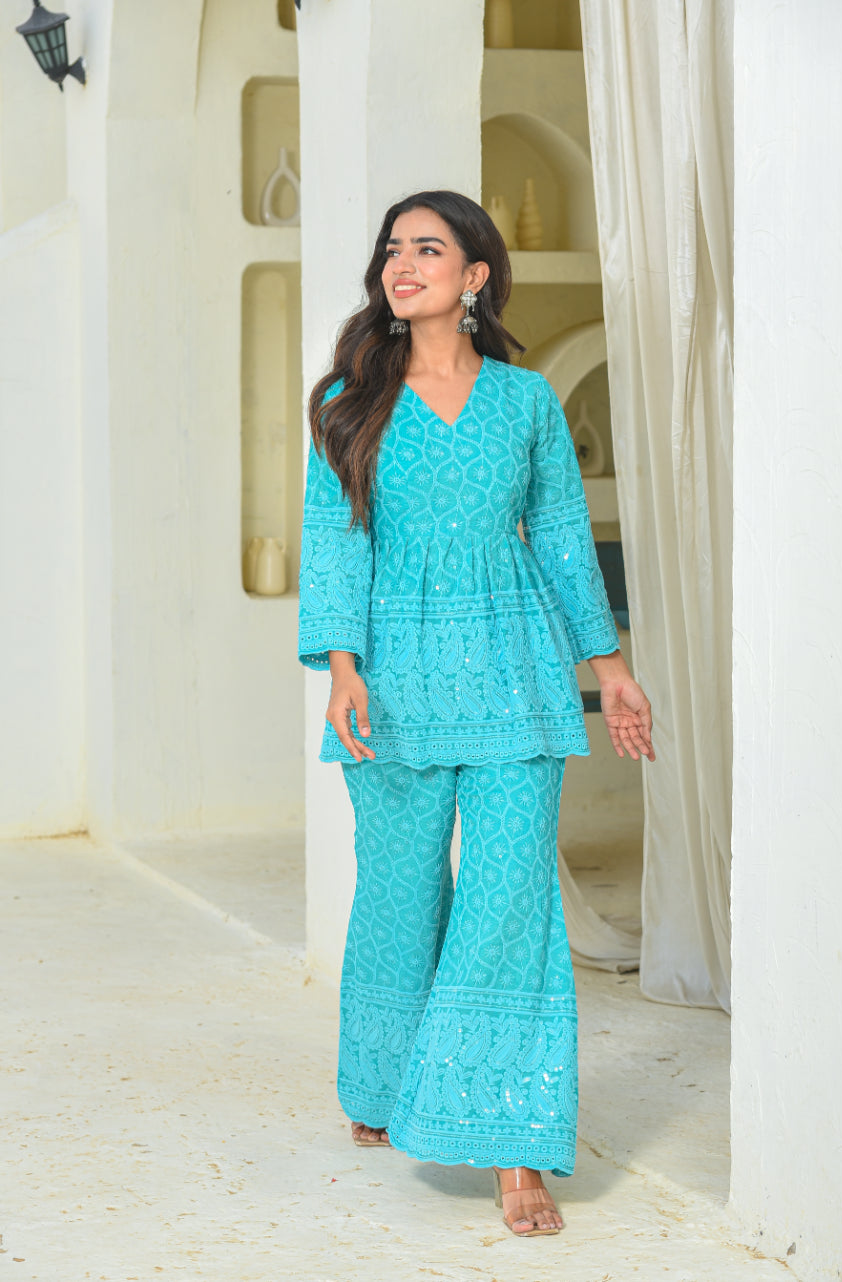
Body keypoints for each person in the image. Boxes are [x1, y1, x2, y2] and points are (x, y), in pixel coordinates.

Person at [297, 190, 655, 1237]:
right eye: (391, 250)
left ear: (475, 277)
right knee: (403, 891)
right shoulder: (346, 396)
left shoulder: (524, 400)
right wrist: (343, 668)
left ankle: (511, 1149)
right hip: (395, 685)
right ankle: (379, 1081)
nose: (401, 265)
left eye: (427, 248)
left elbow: (555, 534)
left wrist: (611, 664)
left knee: (508, 902)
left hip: (516, 677)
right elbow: (336, 539)